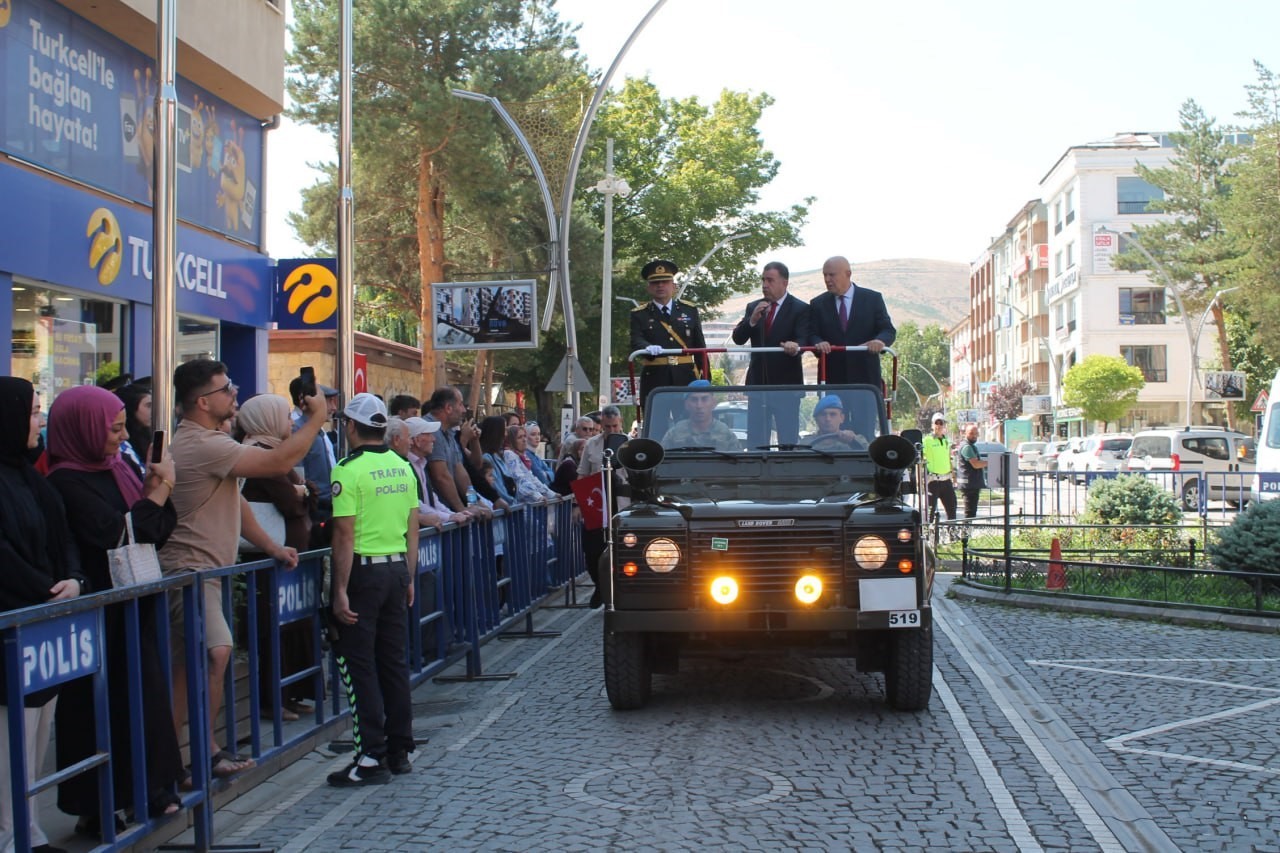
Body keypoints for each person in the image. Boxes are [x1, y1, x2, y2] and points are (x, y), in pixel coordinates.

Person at [159, 359, 327, 779]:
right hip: (191, 570)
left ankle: (176, 753)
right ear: (202, 402)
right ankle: (200, 750)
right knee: (216, 653)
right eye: (226, 388)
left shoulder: (215, 441)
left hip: (209, 571)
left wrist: (274, 547)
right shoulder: (201, 444)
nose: (234, 393)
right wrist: (317, 418)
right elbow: (277, 463)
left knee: (187, 667)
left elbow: (237, 504)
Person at [44, 385, 185, 833]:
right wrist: (158, 492)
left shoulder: (115, 466)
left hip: (133, 604)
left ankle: (151, 789)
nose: (120, 435)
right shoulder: (66, 480)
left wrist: (155, 492)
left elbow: (154, 528)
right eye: (113, 427)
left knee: (144, 700)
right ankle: (102, 805)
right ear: (84, 427)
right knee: (103, 711)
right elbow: (115, 533)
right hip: (98, 613)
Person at [0, 378, 85, 853]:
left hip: (44, 630)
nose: (40, 421)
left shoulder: (31, 475)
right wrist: (44, 590)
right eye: (33, 412)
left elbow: (62, 533)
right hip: (16, 623)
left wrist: (73, 579)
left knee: (34, 741)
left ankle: (27, 831)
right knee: (7, 745)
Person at [327, 394, 419, 786]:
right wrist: (409, 576)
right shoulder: (402, 466)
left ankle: (369, 755)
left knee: (359, 664)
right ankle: (399, 749)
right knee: (393, 662)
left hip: (364, 573)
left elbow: (344, 535)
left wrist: (339, 589)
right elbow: (413, 528)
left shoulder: (347, 471)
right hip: (396, 567)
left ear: (350, 426)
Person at [237, 394, 316, 723]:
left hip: (288, 561)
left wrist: (304, 491)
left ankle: (291, 692)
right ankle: (273, 699)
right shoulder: (259, 455)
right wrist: (304, 493)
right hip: (265, 562)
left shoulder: (274, 454)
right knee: (270, 633)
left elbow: (303, 490)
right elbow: (291, 501)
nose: (290, 424)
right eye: (285, 417)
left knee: (290, 630)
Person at [809, 255, 896, 438]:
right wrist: (819, 342)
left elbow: (887, 330)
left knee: (864, 433)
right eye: (825, 275)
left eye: (832, 275)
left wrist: (879, 342)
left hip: (864, 382)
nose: (827, 280)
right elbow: (811, 334)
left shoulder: (872, 299)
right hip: (832, 381)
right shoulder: (818, 304)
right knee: (832, 436)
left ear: (848, 274)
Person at [731, 261, 811, 446]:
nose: (765, 285)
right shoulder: (754, 307)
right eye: (763, 280)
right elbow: (738, 339)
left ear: (784, 282)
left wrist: (795, 345)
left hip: (787, 386)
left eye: (770, 280)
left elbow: (804, 339)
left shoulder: (800, 308)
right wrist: (751, 321)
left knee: (787, 439)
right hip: (758, 385)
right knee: (757, 441)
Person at [629, 260, 708, 421]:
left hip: (685, 376)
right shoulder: (640, 314)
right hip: (656, 377)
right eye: (655, 283)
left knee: (688, 424)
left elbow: (700, 347)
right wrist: (647, 347)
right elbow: (636, 339)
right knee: (656, 424)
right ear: (649, 287)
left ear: (674, 286)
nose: (660, 286)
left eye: (665, 282)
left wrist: (706, 379)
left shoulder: (689, 310)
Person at [576, 406, 630, 608]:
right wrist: (578, 504)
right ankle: (599, 585)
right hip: (596, 505)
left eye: (615, 426)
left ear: (620, 422)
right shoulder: (592, 445)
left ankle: (618, 591)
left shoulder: (630, 445)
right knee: (592, 552)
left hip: (622, 506)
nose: (611, 430)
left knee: (623, 551)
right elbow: (582, 474)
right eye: (607, 427)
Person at [290, 378, 340, 542]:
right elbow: (298, 476)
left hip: (325, 510)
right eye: (328, 401)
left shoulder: (318, 432)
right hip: (312, 512)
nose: (333, 408)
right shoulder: (298, 431)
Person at [423, 387, 489, 514]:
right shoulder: (431, 430)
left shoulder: (448, 432)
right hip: (435, 515)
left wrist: (473, 503)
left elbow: (461, 472)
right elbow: (441, 476)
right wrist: (461, 509)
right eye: (461, 404)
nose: (464, 410)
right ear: (448, 408)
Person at [403, 417, 472, 526]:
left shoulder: (421, 463)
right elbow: (416, 503)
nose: (433, 439)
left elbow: (432, 498)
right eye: (429, 434)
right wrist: (450, 516)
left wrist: (452, 514)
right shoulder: (405, 465)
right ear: (416, 440)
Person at [662, 380, 743, 452]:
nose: (699, 405)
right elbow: (662, 463)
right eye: (694, 400)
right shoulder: (674, 433)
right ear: (686, 404)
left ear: (713, 403)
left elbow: (739, 464)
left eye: (704, 399)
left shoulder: (725, 433)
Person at [504, 424, 558, 504]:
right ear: (511, 440)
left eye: (524, 436)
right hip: (518, 504)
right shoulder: (509, 454)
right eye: (519, 437)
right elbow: (520, 479)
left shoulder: (520, 455)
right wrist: (538, 496)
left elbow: (531, 477)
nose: (524, 440)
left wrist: (552, 494)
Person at [922, 413, 958, 523]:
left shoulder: (947, 441)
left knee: (952, 509)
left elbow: (948, 458)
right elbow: (921, 460)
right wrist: (921, 480)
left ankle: (953, 536)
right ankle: (927, 536)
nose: (938, 425)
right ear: (932, 425)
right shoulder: (927, 440)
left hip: (946, 481)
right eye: (936, 423)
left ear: (944, 425)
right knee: (930, 512)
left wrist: (954, 475)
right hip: (933, 481)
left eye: (941, 423)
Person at [802, 394, 867, 452]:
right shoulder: (805, 443)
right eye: (823, 414)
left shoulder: (855, 439)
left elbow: (870, 458)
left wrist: (852, 441)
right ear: (816, 419)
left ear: (842, 418)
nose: (828, 419)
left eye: (833, 414)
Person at [957, 423, 989, 519]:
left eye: (976, 433)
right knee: (969, 513)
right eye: (971, 433)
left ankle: (966, 533)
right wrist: (991, 462)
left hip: (971, 484)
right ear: (965, 434)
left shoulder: (971, 446)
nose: (974, 436)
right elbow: (976, 464)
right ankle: (965, 534)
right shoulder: (967, 447)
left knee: (971, 513)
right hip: (970, 485)